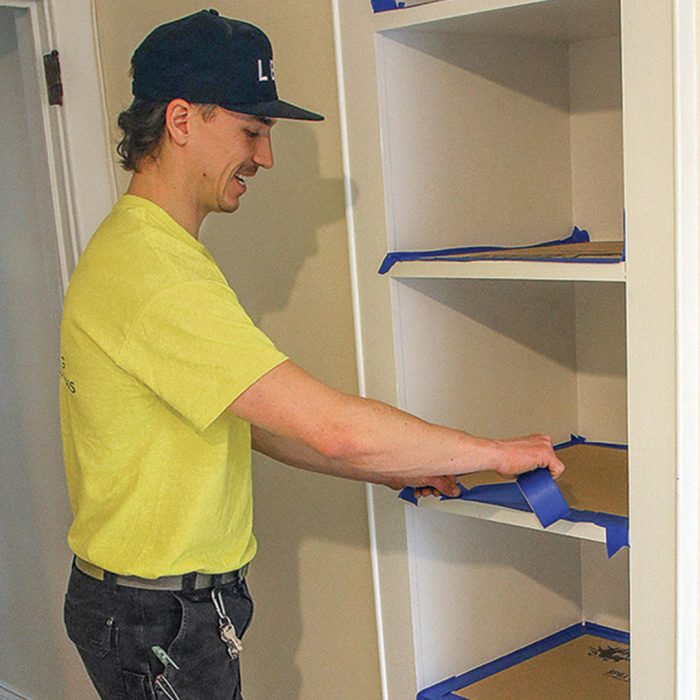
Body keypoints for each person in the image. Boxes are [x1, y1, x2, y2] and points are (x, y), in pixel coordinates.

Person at [59, 9, 565, 700]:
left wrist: (393, 466)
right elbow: (332, 425)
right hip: (159, 620)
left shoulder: (150, 251)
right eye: (252, 131)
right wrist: (496, 453)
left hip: (159, 610)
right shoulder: (154, 273)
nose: (265, 157)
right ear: (181, 121)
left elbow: (257, 422)